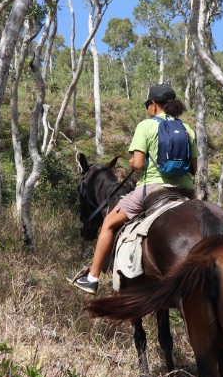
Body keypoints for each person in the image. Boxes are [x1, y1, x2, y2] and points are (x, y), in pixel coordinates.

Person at [71, 83, 197, 294]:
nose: (147, 108)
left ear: (155, 105)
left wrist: (134, 163)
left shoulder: (146, 126)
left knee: (109, 223)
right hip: (186, 191)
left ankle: (92, 278)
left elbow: (138, 164)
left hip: (155, 189)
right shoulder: (187, 129)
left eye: (148, 104)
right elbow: (194, 168)